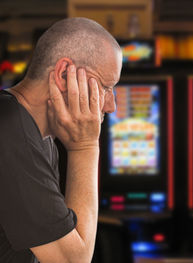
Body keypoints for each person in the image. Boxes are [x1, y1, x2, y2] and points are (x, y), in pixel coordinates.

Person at [0, 17, 122, 263]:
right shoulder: (10, 129)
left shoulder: (40, 137)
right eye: (106, 87)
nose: (111, 106)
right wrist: (85, 147)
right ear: (64, 74)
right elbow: (72, 261)